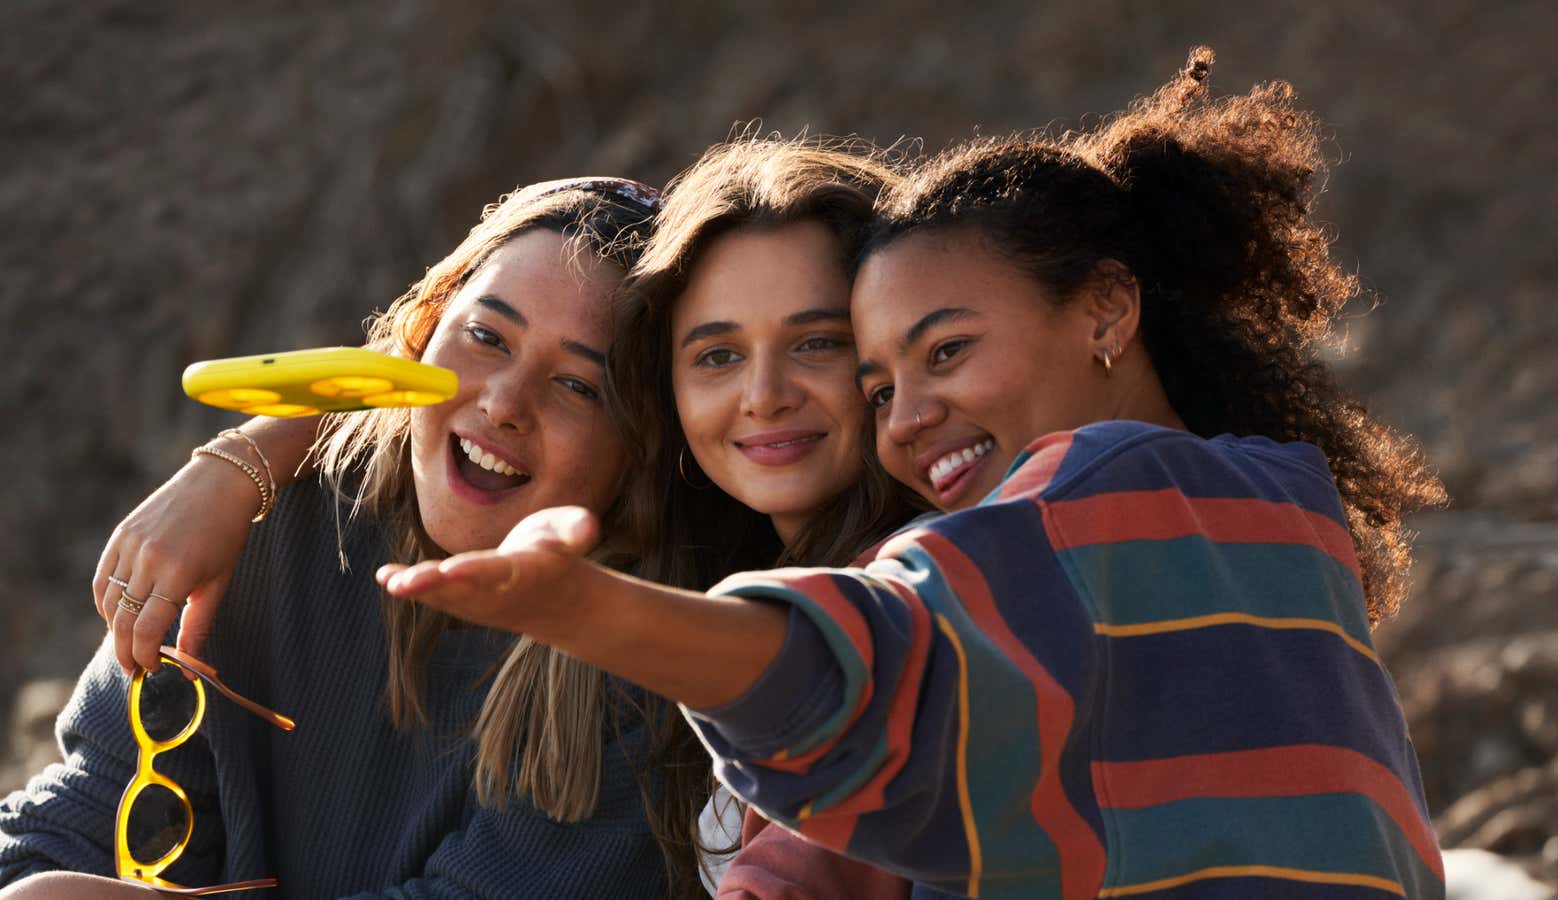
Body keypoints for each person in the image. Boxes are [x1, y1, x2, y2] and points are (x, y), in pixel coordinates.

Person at [377, 50, 1450, 898]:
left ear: (1106, 310)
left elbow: (868, 672)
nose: (910, 414)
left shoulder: (1089, 513)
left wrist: (589, 609)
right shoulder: (1275, 503)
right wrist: (251, 453)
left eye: (940, 352)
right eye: (884, 381)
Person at [0, 178, 705, 898]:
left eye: (580, 387)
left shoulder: (644, 662)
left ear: (644, 445)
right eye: (487, 337)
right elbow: (80, 812)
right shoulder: (278, 514)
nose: (503, 404)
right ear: (426, 328)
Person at [604, 135, 921, 897]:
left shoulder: (921, 587)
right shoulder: (703, 588)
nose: (765, 394)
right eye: (718, 355)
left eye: (818, 343)